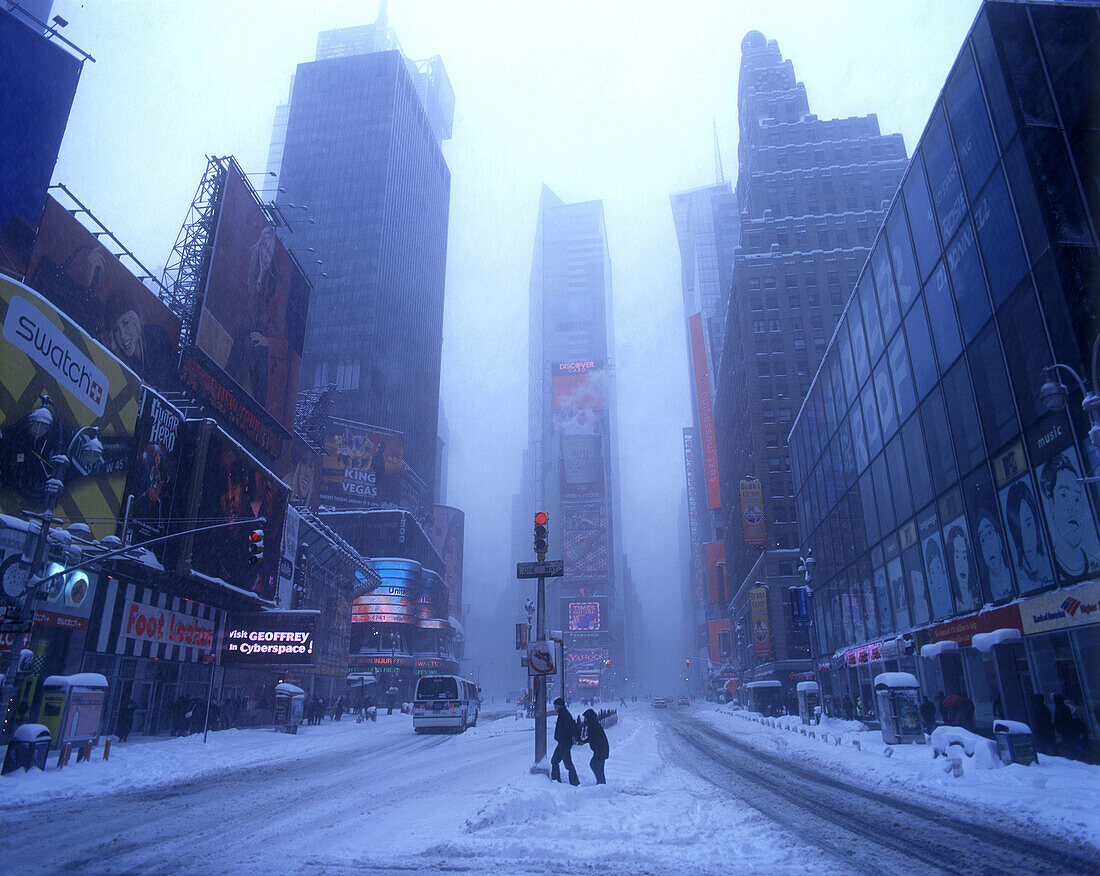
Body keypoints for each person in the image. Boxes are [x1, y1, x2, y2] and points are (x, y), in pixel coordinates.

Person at [102, 287, 177, 388]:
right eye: (116, 330)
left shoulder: (156, 336)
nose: (123, 335)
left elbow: (169, 386)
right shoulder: (119, 358)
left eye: (125, 323)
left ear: (135, 320)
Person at [550, 697, 580, 786]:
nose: (555, 708)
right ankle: (556, 780)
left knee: (567, 763)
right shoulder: (563, 714)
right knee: (555, 760)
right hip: (562, 743)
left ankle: (574, 782)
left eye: (555, 706)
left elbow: (568, 729)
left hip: (564, 743)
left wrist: (562, 737)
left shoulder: (565, 715)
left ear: (559, 706)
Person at [583, 709, 609, 785]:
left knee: (598, 767)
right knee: (593, 764)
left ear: (589, 717)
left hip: (601, 750)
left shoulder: (594, 726)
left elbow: (592, 737)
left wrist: (583, 742)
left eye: (586, 717)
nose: (585, 719)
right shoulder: (593, 725)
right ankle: (600, 782)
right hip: (599, 750)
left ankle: (601, 785)